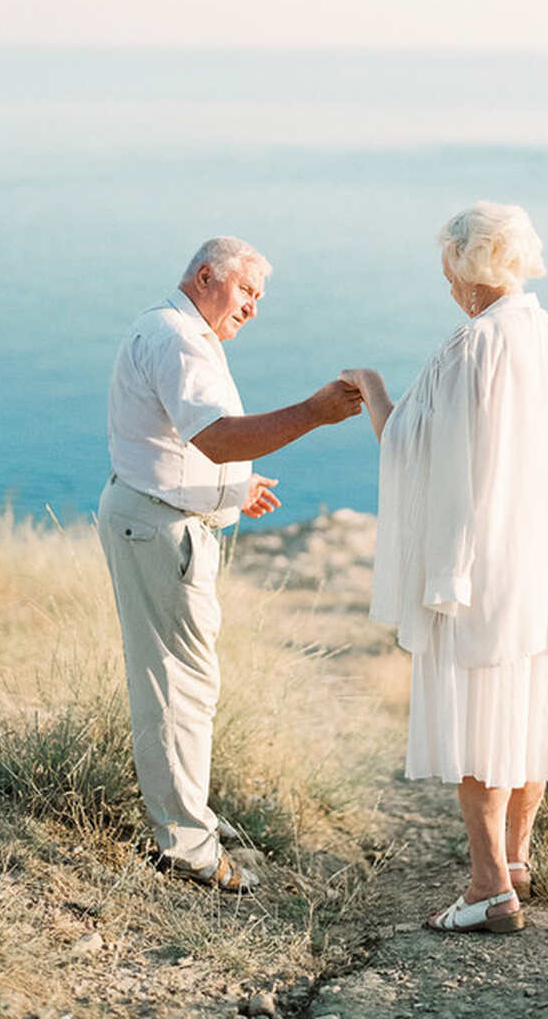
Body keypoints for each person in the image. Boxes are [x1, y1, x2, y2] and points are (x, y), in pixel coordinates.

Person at [341, 201, 548, 934]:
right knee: (531, 716)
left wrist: (372, 387)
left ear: (464, 266)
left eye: (446, 262)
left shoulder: (471, 347)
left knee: (482, 728)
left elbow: (414, 453)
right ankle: (519, 860)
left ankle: (489, 888)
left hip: (489, 571)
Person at [98, 236, 362, 894]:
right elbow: (215, 437)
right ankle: (184, 847)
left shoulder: (173, 331)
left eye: (258, 298)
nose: (253, 308)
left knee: (183, 684)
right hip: (158, 528)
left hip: (158, 516)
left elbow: (172, 441)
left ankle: (185, 820)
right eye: (246, 291)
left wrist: (230, 491)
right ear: (206, 276)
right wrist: (315, 413)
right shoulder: (180, 340)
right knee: (176, 689)